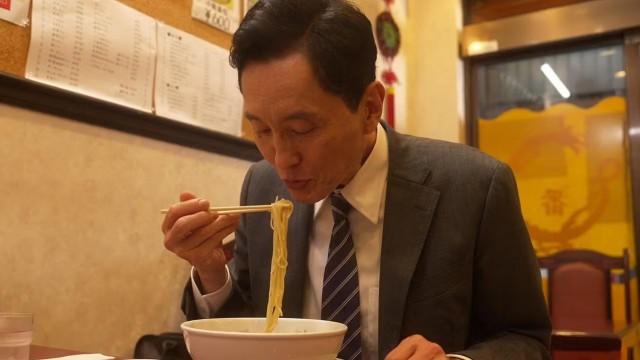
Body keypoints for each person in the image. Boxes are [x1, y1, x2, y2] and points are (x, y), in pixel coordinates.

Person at [161, 0, 551, 359]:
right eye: (261, 130)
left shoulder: (476, 187)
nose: (281, 159)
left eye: (300, 129)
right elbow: (253, 329)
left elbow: (527, 339)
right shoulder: (262, 186)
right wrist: (211, 271)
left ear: (369, 109)